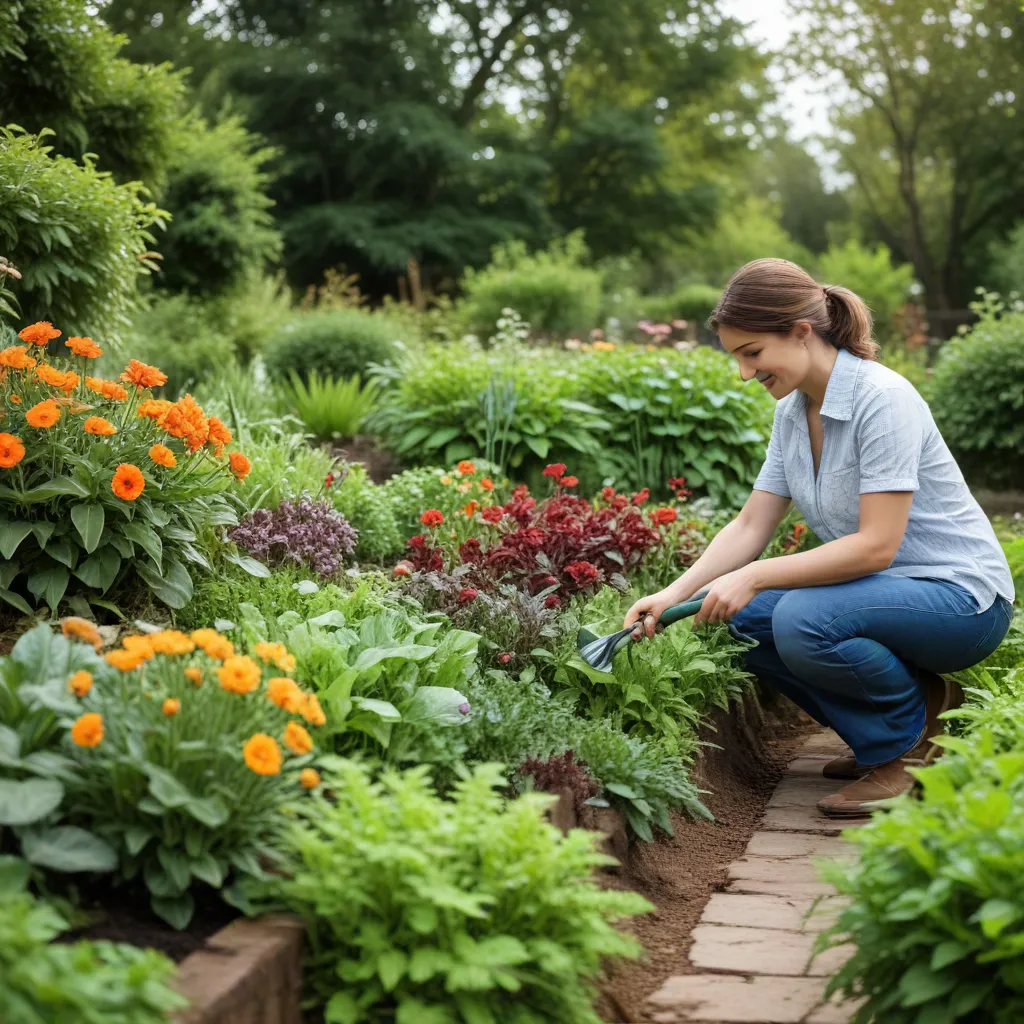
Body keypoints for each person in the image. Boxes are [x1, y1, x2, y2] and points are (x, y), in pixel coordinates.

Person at [625, 258, 1015, 817]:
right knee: (738, 617)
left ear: (801, 332)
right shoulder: (792, 413)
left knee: (800, 619)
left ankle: (902, 751)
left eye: (752, 352)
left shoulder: (882, 398)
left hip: (960, 601)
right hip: (884, 594)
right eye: (736, 355)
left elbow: (876, 545)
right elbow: (751, 524)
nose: (743, 373)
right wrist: (672, 595)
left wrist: (754, 575)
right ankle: (913, 714)